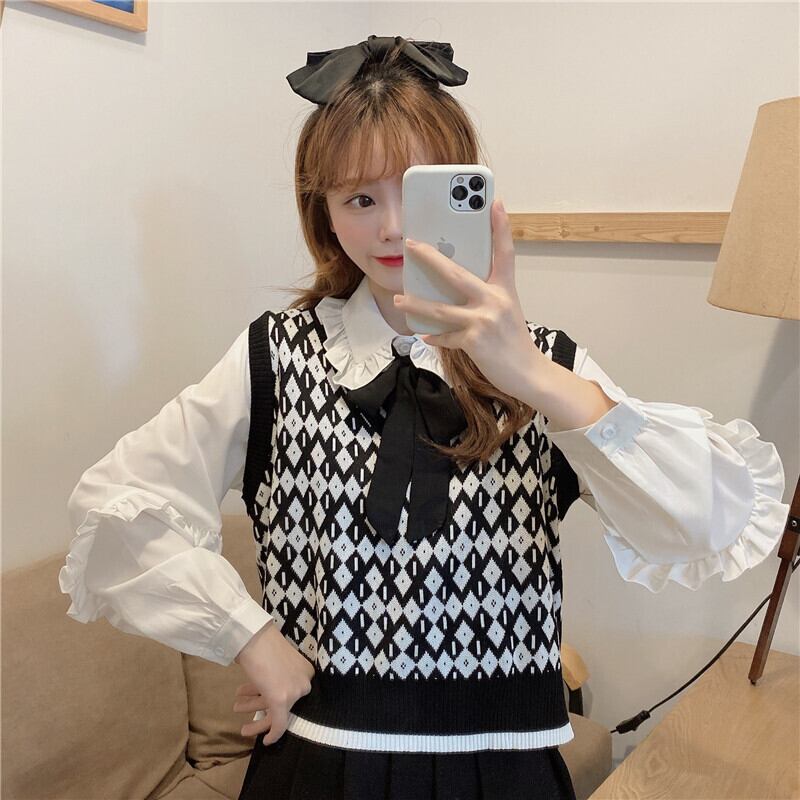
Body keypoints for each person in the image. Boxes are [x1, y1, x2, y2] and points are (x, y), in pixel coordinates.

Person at [60, 34, 789, 800]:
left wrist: (531, 375)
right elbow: (116, 506)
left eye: (419, 193)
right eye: (360, 199)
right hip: (319, 768)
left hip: (505, 772)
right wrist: (248, 636)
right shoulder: (274, 358)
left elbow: (710, 518)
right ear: (324, 213)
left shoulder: (544, 365)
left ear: (471, 196)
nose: (392, 228)